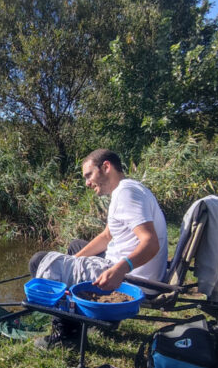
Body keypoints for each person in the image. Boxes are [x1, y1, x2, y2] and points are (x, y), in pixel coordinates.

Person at [29, 149, 166, 349]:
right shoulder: (128, 189)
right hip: (133, 267)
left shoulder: (126, 194)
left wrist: (121, 268)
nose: (87, 183)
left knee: (39, 261)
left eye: (89, 175)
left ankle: (68, 337)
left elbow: (151, 242)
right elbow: (106, 236)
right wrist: (73, 261)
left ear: (106, 167)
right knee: (75, 246)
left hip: (133, 276)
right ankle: (84, 315)